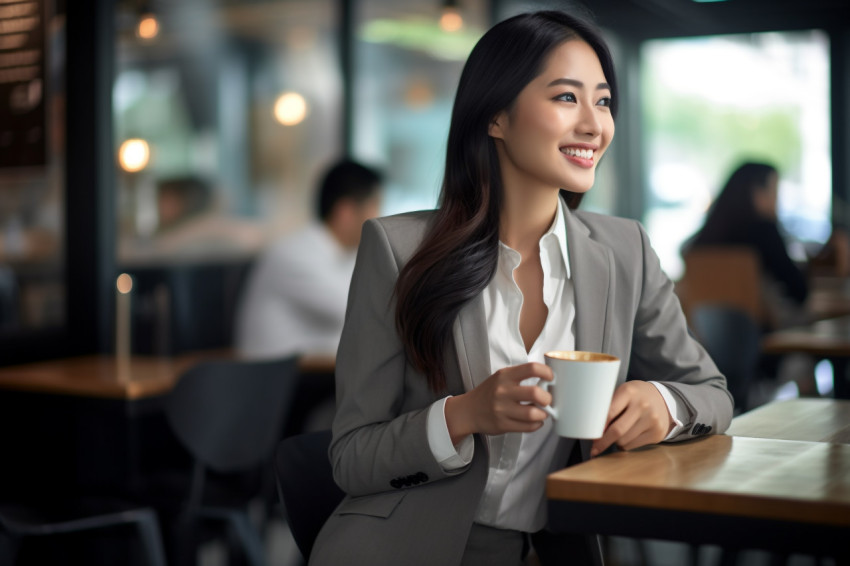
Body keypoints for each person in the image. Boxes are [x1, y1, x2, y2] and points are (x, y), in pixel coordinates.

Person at [310, 10, 733, 566]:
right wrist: (463, 415)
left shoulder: (624, 249)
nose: (594, 125)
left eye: (603, 102)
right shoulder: (398, 249)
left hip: (556, 548)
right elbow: (351, 455)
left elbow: (713, 394)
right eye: (566, 98)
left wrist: (664, 403)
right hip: (415, 547)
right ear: (496, 117)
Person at [235, 159, 383, 360]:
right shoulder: (294, 255)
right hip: (281, 382)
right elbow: (364, 309)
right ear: (346, 212)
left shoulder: (345, 254)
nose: (380, 217)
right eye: (375, 206)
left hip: (314, 375)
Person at [683, 162, 809, 328]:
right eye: (775, 192)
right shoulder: (765, 232)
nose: (777, 202)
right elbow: (799, 292)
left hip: (706, 343)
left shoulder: (701, 241)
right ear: (757, 193)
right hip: (764, 340)